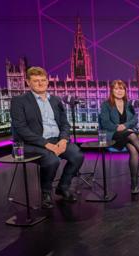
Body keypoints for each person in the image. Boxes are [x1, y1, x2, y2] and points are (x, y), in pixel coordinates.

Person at [10, 66, 84, 209]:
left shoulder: (55, 100)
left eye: (43, 80)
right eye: (36, 81)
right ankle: (46, 193)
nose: (40, 83)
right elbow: (21, 129)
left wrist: (63, 140)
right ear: (28, 83)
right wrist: (47, 145)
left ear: (47, 82)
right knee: (52, 160)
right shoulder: (19, 101)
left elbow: (65, 124)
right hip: (31, 143)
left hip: (56, 140)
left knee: (77, 155)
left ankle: (63, 186)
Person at [100, 80, 139, 194]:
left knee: (134, 149)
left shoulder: (129, 104)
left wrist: (125, 126)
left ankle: (134, 185)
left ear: (125, 91)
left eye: (121, 89)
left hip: (127, 135)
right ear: (112, 90)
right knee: (132, 136)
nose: (119, 91)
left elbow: (134, 119)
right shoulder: (106, 104)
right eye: (116, 88)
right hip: (113, 135)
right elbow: (105, 123)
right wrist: (118, 127)